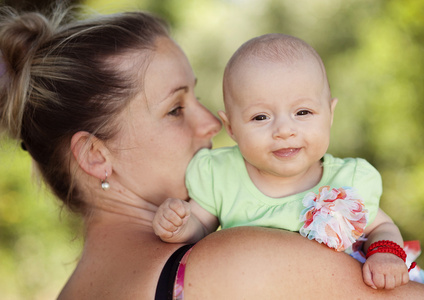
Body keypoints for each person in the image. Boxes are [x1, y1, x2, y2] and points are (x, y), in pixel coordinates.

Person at [0, 6, 423, 300]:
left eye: (198, 98)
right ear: (95, 156)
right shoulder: (236, 262)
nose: (213, 124)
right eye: (176, 109)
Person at [153, 33, 421, 290]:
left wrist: (384, 254)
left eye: (302, 112)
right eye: (261, 117)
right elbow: (199, 229)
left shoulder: (349, 180)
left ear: (329, 114)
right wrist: (179, 226)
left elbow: (382, 227)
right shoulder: (220, 176)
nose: (284, 130)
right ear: (231, 127)